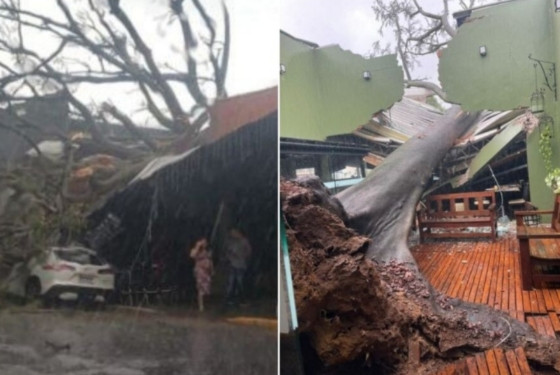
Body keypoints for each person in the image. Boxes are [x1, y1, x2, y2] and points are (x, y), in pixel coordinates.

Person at [224, 229, 252, 306]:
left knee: (240, 282)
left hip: (241, 264)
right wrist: (229, 257)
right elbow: (227, 251)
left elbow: (249, 252)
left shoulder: (244, 241)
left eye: (233, 233)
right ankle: (230, 299)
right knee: (231, 282)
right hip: (232, 264)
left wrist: (242, 256)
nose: (232, 235)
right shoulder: (231, 242)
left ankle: (242, 299)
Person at [189, 238, 213, 312]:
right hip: (200, 270)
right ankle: (201, 305)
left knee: (207, 287)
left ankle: (206, 303)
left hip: (207, 270)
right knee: (200, 288)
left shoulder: (208, 250)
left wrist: (212, 269)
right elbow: (192, 256)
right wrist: (198, 246)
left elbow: (210, 260)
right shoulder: (195, 250)